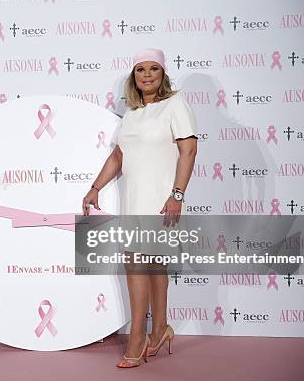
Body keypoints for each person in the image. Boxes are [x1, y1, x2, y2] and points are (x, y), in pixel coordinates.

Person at [82, 48, 197, 368]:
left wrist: (178, 195)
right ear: (134, 76)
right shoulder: (132, 113)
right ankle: (160, 329)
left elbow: (188, 151)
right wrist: (95, 188)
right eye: (141, 70)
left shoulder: (175, 105)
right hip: (135, 200)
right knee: (156, 267)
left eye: (154, 69)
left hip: (161, 200)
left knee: (137, 265)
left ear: (163, 74)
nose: (147, 75)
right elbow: (118, 156)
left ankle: (138, 335)